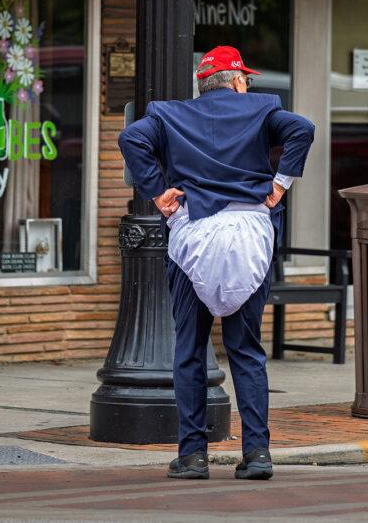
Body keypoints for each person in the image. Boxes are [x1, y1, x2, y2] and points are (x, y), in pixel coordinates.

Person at [118, 45, 315, 480]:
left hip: (195, 235)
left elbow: (131, 138)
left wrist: (157, 192)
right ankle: (258, 453)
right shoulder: (263, 109)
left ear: (203, 84)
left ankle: (192, 456)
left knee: (189, 349)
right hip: (249, 234)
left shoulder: (169, 114)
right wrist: (280, 185)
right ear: (239, 81)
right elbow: (303, 129)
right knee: (246, 350)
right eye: (246, 78)